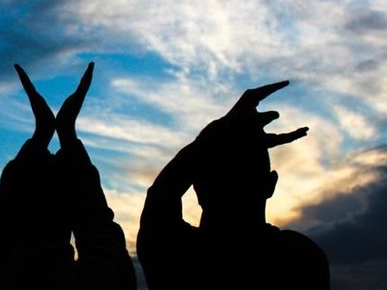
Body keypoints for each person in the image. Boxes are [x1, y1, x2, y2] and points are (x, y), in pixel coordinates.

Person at [0, 63, 138, 290]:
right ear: (72, 210)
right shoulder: (100, 282)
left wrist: (42, 133)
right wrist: (67, 133)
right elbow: (98, 226)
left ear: (11, 211)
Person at [136, 81, 329, 289]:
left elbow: (163, 194)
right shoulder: (300, 259)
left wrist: (212, 134)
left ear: (197, 187)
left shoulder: (174, 253)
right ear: (270, 184)